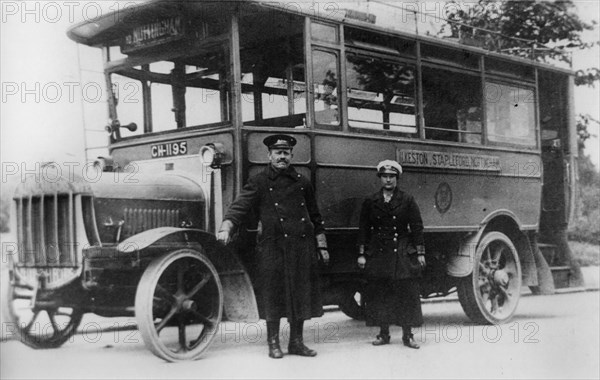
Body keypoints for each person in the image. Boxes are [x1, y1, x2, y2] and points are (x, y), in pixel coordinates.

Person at [217, 134, 330, 359]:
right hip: (273, 247)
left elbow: (315, 216)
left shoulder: (302, 181)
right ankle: (273, 343)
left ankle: (297, 343)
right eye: (277, 153)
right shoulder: (260, 181)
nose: (282, 157)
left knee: (300, 294)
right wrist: (226, 226)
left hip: (300, 246)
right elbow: (240, 206)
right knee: (273, 294)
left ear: (291, 155)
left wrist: (321, 245)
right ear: (269, 155)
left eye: (285, 153)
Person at [357, 160, 426, 349]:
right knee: (380, 293)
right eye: (385, 176)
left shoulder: (407, 200)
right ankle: (383, 334)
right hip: (379, 252)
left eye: (392, 176)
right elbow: (364, 229)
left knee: (406, 293)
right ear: (380, 178)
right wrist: (362, 254)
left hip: (402, 251)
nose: (388, 180)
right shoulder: (371, 201)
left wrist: (420, 253)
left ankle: (408, 335)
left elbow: (417, 227)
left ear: (397, 178)